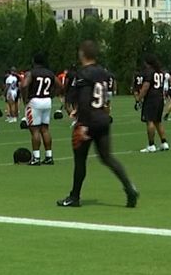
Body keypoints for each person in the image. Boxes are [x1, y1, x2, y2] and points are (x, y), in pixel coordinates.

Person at [57, 41, 138, 208]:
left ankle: (74, 197)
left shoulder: (83, 74)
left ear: (82, 54)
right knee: (107, 157)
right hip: (102, 118)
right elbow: (106, 98)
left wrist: (83, 123)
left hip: (88, 120)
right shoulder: (104, 73)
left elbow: (85, 99)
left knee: (80, 160)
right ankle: (129, 188)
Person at [137, 56, 171, 153]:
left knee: (150, 121)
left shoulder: (149, 71)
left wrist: (139, 98)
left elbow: (146, 86)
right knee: (158, 121)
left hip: (151, 98)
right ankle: (164, 143)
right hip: (160, 97)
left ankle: (151, 144)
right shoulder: (160, 72)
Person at [24, 56, 55, 162]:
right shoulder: (50, 73)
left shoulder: (31, 73)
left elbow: (24, 85)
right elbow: (60, 85)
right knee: (45, 129)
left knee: (35, 130)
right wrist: (52, 94)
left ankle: (36, 157)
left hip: (35, 101)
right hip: (47, 100)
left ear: (34, 61)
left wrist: (25, 99)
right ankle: (49, 156)